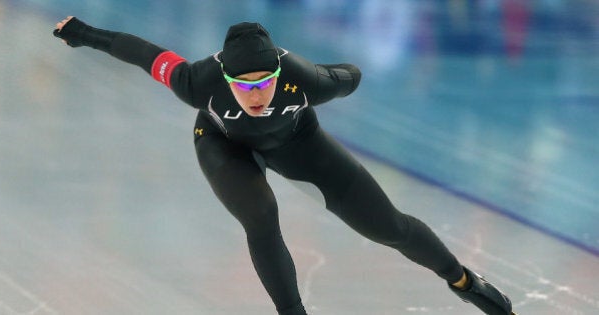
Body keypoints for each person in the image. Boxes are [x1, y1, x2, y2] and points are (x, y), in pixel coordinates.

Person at [53, 16, 515, 315]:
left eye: (265, 84)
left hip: (298, 141)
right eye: (243, 86)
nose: (255, 96)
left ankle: (465, 281)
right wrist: (83, 34)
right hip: (223, 146)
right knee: (261, 215)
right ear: (225, 77)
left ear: (279, 73)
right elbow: (140, 51)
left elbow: (351, 74)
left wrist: (329, 71)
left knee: (388, 226)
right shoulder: (196, 81)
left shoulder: (304, 79)